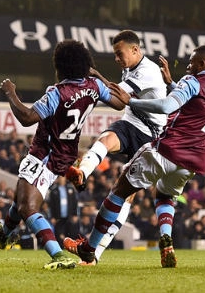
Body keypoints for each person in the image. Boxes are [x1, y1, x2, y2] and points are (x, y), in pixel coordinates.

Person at [64, 44, 205, 268]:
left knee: (119, 190)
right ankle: (166, 240)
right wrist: (171, 84)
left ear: (202, 64)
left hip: (166, 150)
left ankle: (89, 249)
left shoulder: (192, 81)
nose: (187, 67)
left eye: (190, 62)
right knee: (164, 196)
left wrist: (132, 102)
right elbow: (193, 103)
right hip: (191, 162)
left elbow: (169, 105)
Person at [0, 39, 126, 269]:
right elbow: (121, 103)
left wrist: (11, 92)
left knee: (27, 207)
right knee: (20, 197)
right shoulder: (94, 86)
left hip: (43, 154)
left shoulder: (58, 93)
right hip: (65, 156)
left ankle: (57, 255)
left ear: (60, 66)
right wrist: (98, 75)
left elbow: (26, 117)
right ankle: (4, 235)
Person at [64, 30, 168, 262]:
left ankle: (93, 254)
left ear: (135, 50)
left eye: (119, 54)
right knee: (106, 139)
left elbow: (119, 99)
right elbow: (120, 102)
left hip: (150, 135)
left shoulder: (147, 71)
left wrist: (94, 80)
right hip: (132, 124)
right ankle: (82, 172)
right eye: (115, 55)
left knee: (123, 195)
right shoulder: (130, 67)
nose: (117, 59)